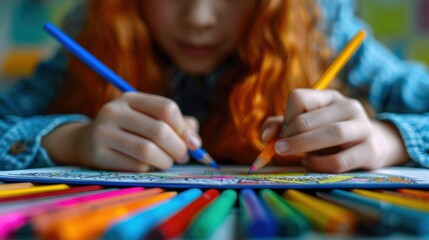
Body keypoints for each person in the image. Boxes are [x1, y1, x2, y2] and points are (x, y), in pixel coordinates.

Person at [0, 0, 428, 173]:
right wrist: (71, 141)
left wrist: (386, 140)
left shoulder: (319, 24)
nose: (200, 17)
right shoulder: (96, 31)